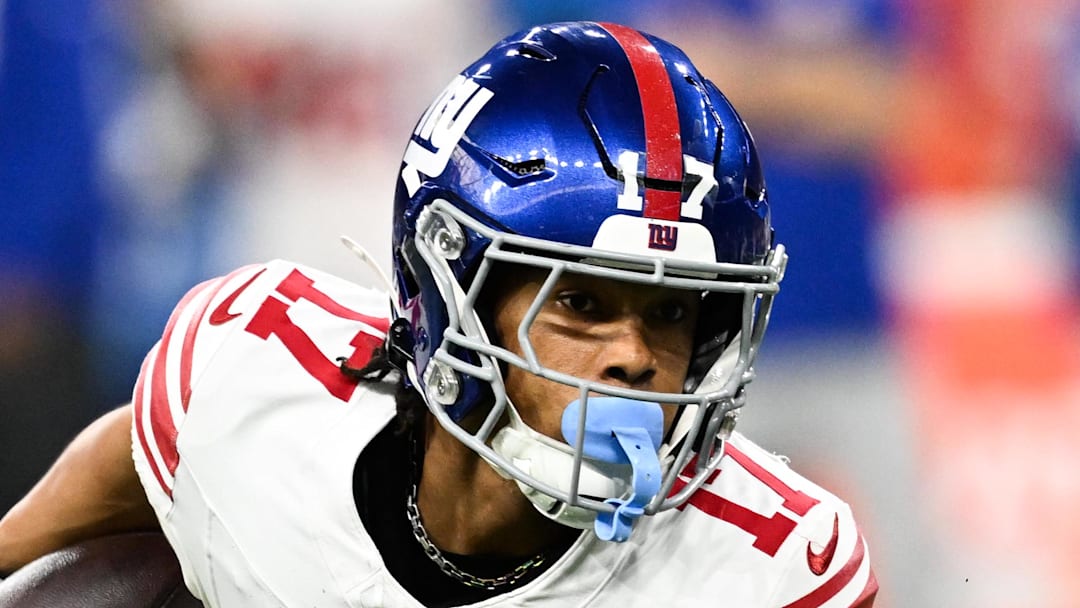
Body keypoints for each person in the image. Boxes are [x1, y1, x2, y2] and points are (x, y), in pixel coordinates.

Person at [0, 21, 878, 607]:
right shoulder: (252, 385)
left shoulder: (767, 571)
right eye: (579, 301)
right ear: (449, 285)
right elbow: (139, 459)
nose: (634, 358)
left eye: (675, 314)